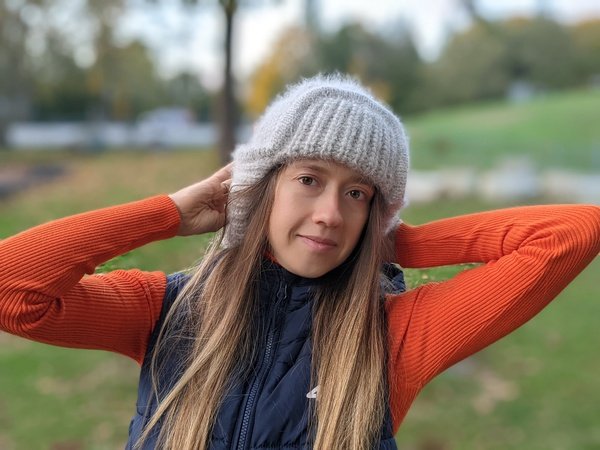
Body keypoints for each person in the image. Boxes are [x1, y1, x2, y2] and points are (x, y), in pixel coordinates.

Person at [0, 74, 599, 450]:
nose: (331, 214)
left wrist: (392, 242)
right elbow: (13, 288)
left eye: (357, 193)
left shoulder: (393, 336)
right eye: (309, 179)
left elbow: (572, 235)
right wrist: (170, 214)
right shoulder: (168, 310)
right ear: (264, 187)